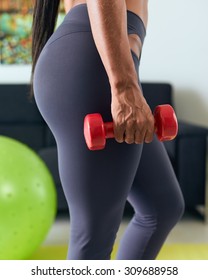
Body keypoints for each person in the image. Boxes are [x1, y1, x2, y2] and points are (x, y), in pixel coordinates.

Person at [31, 0, 185, 260]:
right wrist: (124, 87)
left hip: (91, 62)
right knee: (93, 236)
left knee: (162, 207)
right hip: (94, 70)